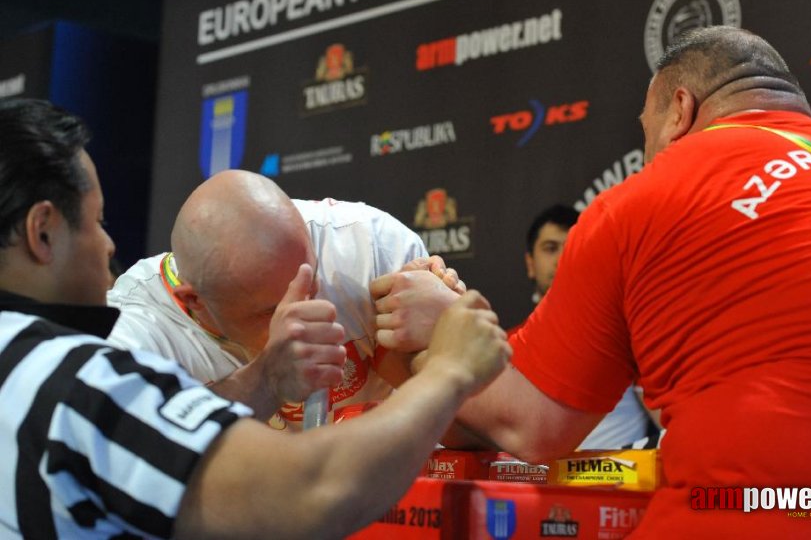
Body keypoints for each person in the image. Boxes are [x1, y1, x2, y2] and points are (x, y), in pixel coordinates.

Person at [371, 27, 811, 537]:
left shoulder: (644, 201)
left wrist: (441, 325)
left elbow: (531, 426)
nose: (646, 155)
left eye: (645, 132)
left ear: (679, 110)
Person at [0, 97, 511, 538]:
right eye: (96, 221)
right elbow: (308, 496)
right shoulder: (80, 373)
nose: (108, 245)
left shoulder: (370, 244)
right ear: (42, 233)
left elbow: (501, 432)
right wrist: (450, 370)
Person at [107, 170, 461, 426]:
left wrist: (453, 333)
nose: (304, 312)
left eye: (313, 278)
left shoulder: (371, 247)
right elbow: (128, 449)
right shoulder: (133, 325)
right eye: (271, 311)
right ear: (194, 300)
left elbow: (483, 431)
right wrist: (267, 378)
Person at [517, 204, 655, 449]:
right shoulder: (504, 344)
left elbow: (670, 426)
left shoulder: (626, 335)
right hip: (528, 483)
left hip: (614, 482)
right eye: (550, 248)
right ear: (530, 263)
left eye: (571, 246)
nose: (561, 258)